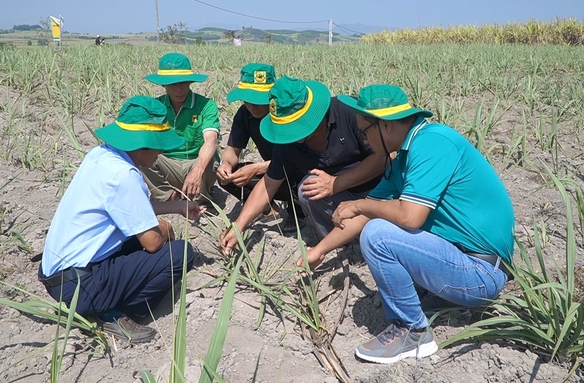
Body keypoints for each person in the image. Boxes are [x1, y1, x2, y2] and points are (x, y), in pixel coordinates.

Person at [300, 84, 515, 363]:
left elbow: (409, 216)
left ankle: (412, 332)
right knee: (378, 225)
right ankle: (447, 301)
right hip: (462, 264)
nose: (365, 141)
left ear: (386, 126)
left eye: (366, 131)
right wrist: (319, 251)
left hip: (481, 274)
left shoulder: (433, 142)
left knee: (379, 235)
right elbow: (364, 216)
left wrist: (359, 203)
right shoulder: (403, 159)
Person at [39, 96, 205, 343]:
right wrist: (165, 228)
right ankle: (114, 312)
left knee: (135, 242)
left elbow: (130, 207)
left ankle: (103, 300)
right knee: (179, 253)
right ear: (142, 145)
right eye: (158, 146)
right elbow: (152, 242)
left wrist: (178, 206)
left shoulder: (102, 155)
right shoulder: (124, 175)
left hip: (57, 273)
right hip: (78, 288)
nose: (160, 153)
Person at [220, 76, 386, 255]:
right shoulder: (287, 142)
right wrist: (239, 226)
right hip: (340, 199)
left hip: (381, 191)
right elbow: (268, 184)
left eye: (296, 127)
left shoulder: (349, 113)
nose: (292, 135)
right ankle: (338, 246)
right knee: (308, 188)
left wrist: (336, 183)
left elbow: (384, 157)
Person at [216, 63, 303, 230]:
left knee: (300, 178)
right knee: (228, 177)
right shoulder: (244, 114)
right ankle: (268, 209)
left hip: (295, 174)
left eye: (259, 101)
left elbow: (297, 159)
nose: (252, 106)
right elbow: (232, 150)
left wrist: (257, 168)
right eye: (247, 100)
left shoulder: (286, 113)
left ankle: (298, 214)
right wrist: (226, 165)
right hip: (271, 175)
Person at [141, 53, 220, 207]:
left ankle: (199, 199)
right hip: (167, 164)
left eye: (183, 83)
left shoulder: (205, 105)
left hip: (196, 163)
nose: (179, 89)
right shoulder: (156, 107)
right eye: (172, 84)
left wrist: (198, 170)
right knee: (142, 152)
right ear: (163, 85)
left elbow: (211, 140)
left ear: (190, 82)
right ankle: (168, 197)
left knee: (210, 158)